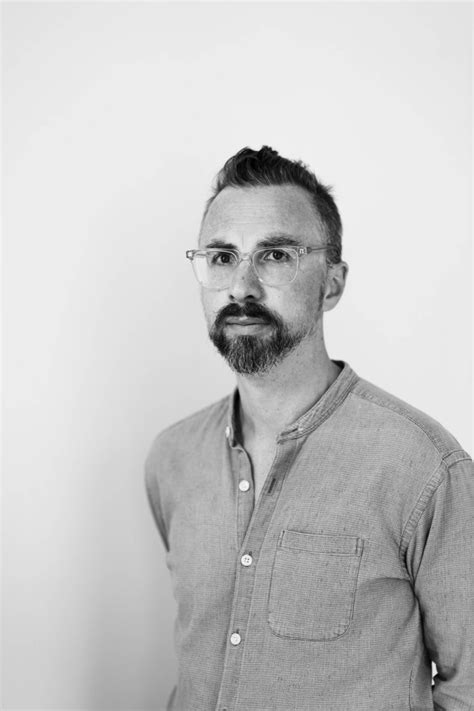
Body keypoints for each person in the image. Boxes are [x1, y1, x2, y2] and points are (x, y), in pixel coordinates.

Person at [144, 146, 473, 711]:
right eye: (221, 257)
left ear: (332, 284)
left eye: (275, 255)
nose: (241, 286)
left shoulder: (424, 468)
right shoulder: (172, 459)